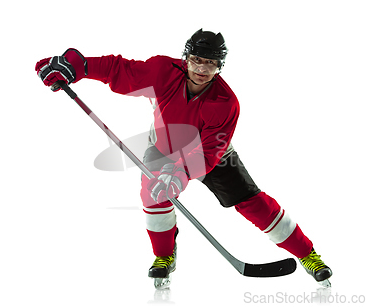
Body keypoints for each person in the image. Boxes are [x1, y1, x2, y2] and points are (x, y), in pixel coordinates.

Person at [35, 29, 333, 287]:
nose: (202, 69)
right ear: (186, 58)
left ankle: (309, 255)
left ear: (220, 67)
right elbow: (120, 70)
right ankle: (164, 255)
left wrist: (179, 172)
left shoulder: (226, 103)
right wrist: (80, 66)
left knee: (250, 202)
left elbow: (210, 150)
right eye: (197, 60)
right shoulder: (163, 71)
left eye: (212, 64)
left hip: (212, 154)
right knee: (153, 196)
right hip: (163, 147)